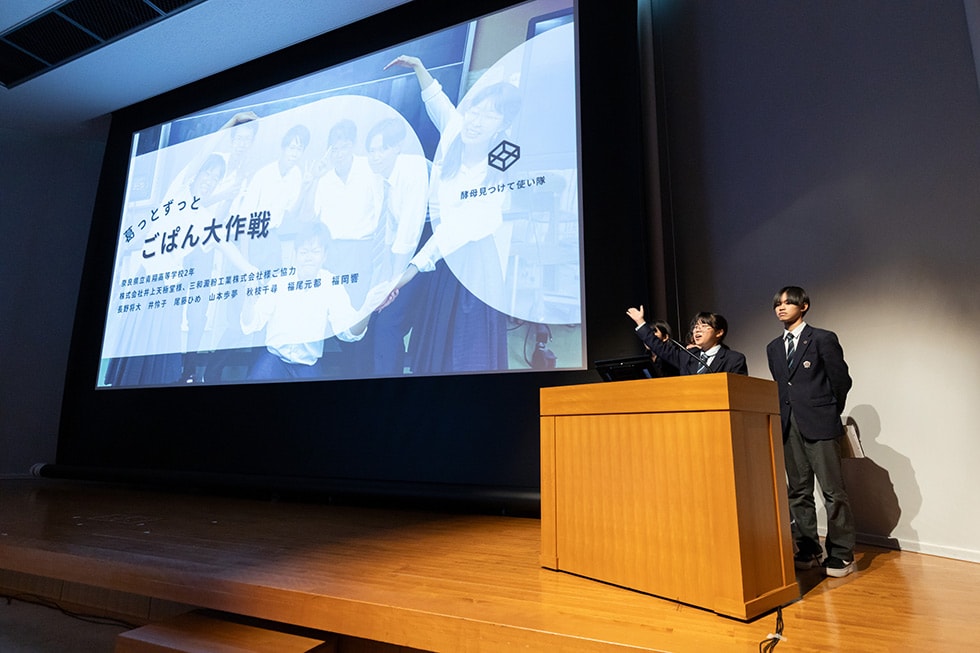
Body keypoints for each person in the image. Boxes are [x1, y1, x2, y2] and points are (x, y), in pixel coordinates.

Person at [382, 55, 521, 373]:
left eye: (491, 115)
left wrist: (409, 272)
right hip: (444, 255)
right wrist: (419, 67)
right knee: (435, 339)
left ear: (503, 124)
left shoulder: (500, 165)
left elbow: (457, 229)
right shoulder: (458, 130)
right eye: (476, 109)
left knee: (466, 347)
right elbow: (438, 102)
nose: (477, 119)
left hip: (471, 261)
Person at [767, 286, 855, 577]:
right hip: (788, 425)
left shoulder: (822, 338)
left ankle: (842, 553)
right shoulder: (774, 348)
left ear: (803, 306)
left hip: (820, 423)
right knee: (798, 491)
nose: (781, 307)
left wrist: (828, 410)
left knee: (832, 491)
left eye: (788, 303)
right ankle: (808, 548)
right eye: (777, 304)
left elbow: (841, 380)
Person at [239, 222, 368, 380]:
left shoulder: (332, 284)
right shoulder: (279, 281)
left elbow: (347, 332)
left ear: (324, 255)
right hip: (274, 358)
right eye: (304, 252)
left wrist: (368, 309)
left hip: (307, 364)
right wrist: (249, 302)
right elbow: (252, 324)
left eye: (315, 252)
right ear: (295, 254)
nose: (308, 257)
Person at [626, 305, 748, 375]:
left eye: (704, 326)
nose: (697, 330)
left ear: (719, 332)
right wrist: (640, 322)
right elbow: (659, 347)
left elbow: (740, 392)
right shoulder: (687, 356)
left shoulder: (734, 359)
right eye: (695, 327)